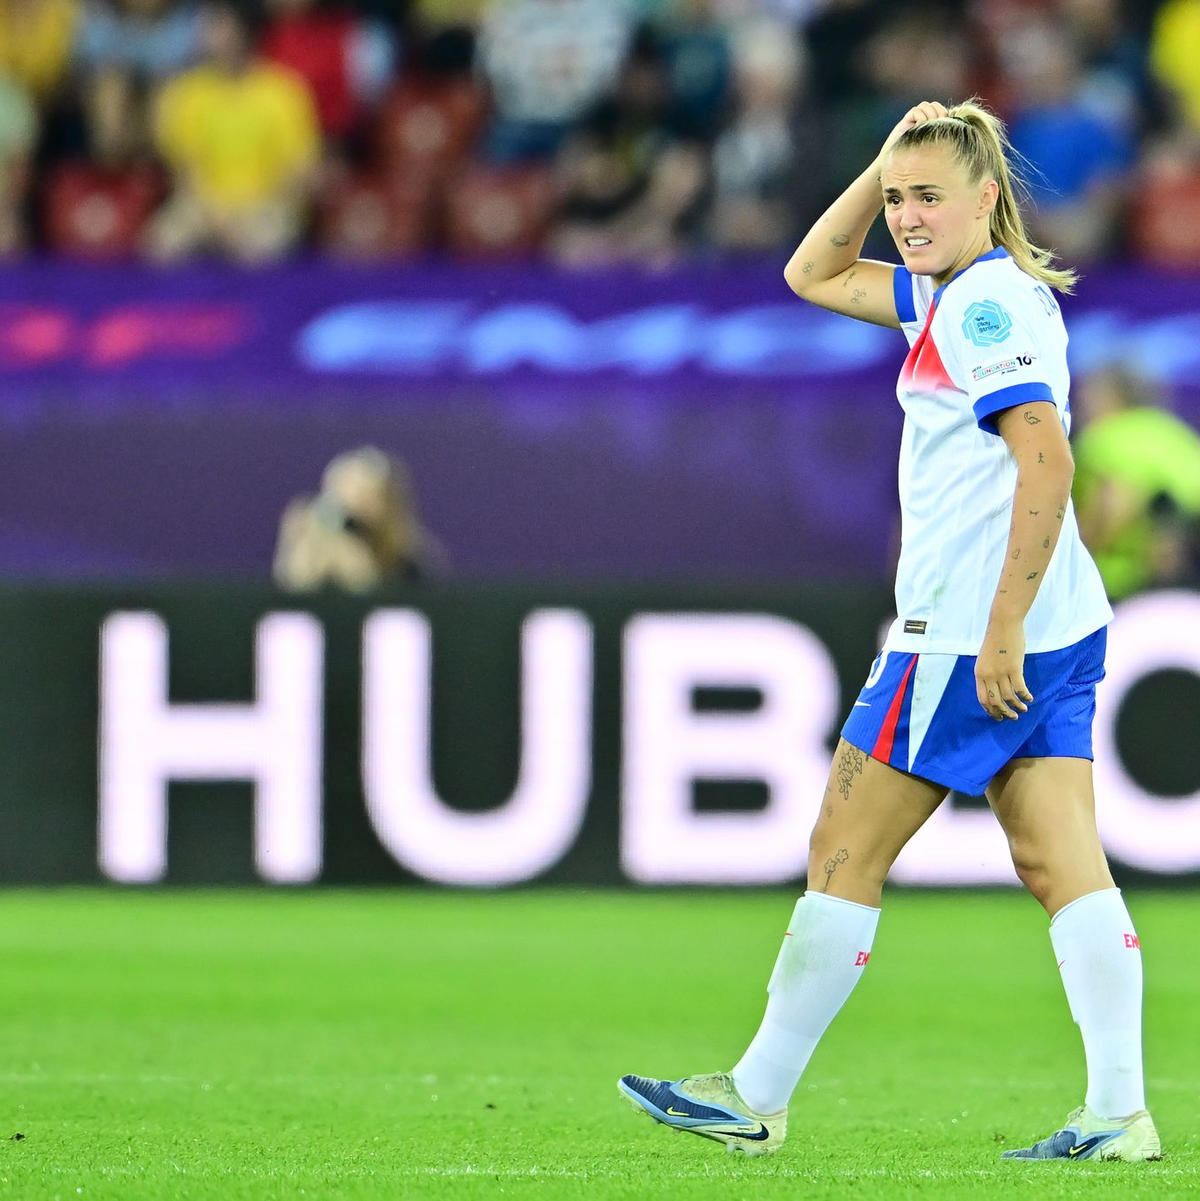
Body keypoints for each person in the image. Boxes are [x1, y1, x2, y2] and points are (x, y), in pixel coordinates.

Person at [619, 99, 1160, 1164]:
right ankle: (1118, 1111)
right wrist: (881, 168)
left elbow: (1048, 462)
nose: (905, 218)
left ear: (986, 201)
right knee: (1062, 862)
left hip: (964, 631)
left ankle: (757, 1091)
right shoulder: (958, 295)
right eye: (898, 197)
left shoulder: (980, 309)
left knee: (842, 849)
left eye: (927, 198)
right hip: (1059, 619)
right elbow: (812, 273)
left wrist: (997, 627)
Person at [273, 447, 444, 592]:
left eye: (376, 499)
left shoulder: (414, 562)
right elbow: (295, 587)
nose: (365, 511)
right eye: (357, 498)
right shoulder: (313, 541)